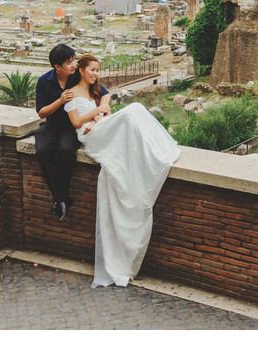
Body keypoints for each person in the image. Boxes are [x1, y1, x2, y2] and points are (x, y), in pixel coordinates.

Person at [64, 54, 180, 288]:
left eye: (98, 70)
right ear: (82, 71)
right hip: (91, 137)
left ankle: (157, 150)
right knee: (131, 112)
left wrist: (99, 114)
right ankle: (154, 152)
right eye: (92, 70)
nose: (96, 74)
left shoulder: (95, 92)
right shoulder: (71, 94)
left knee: (135, 109)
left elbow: (103, 114)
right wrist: (98, 112)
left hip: (99, 127)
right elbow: (77, 123)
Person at [34, 44, 81, 222]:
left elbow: (102, 91)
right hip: (52, 124)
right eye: (69, 62)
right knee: (42, 150)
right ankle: (63, 198)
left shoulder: (78, 78)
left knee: (65, 151)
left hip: (72, 125)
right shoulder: (44, 81)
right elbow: (41, 112)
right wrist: (60, 101)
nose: (73, 64)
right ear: (57, 67)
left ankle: (60, 199)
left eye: (74, 60)